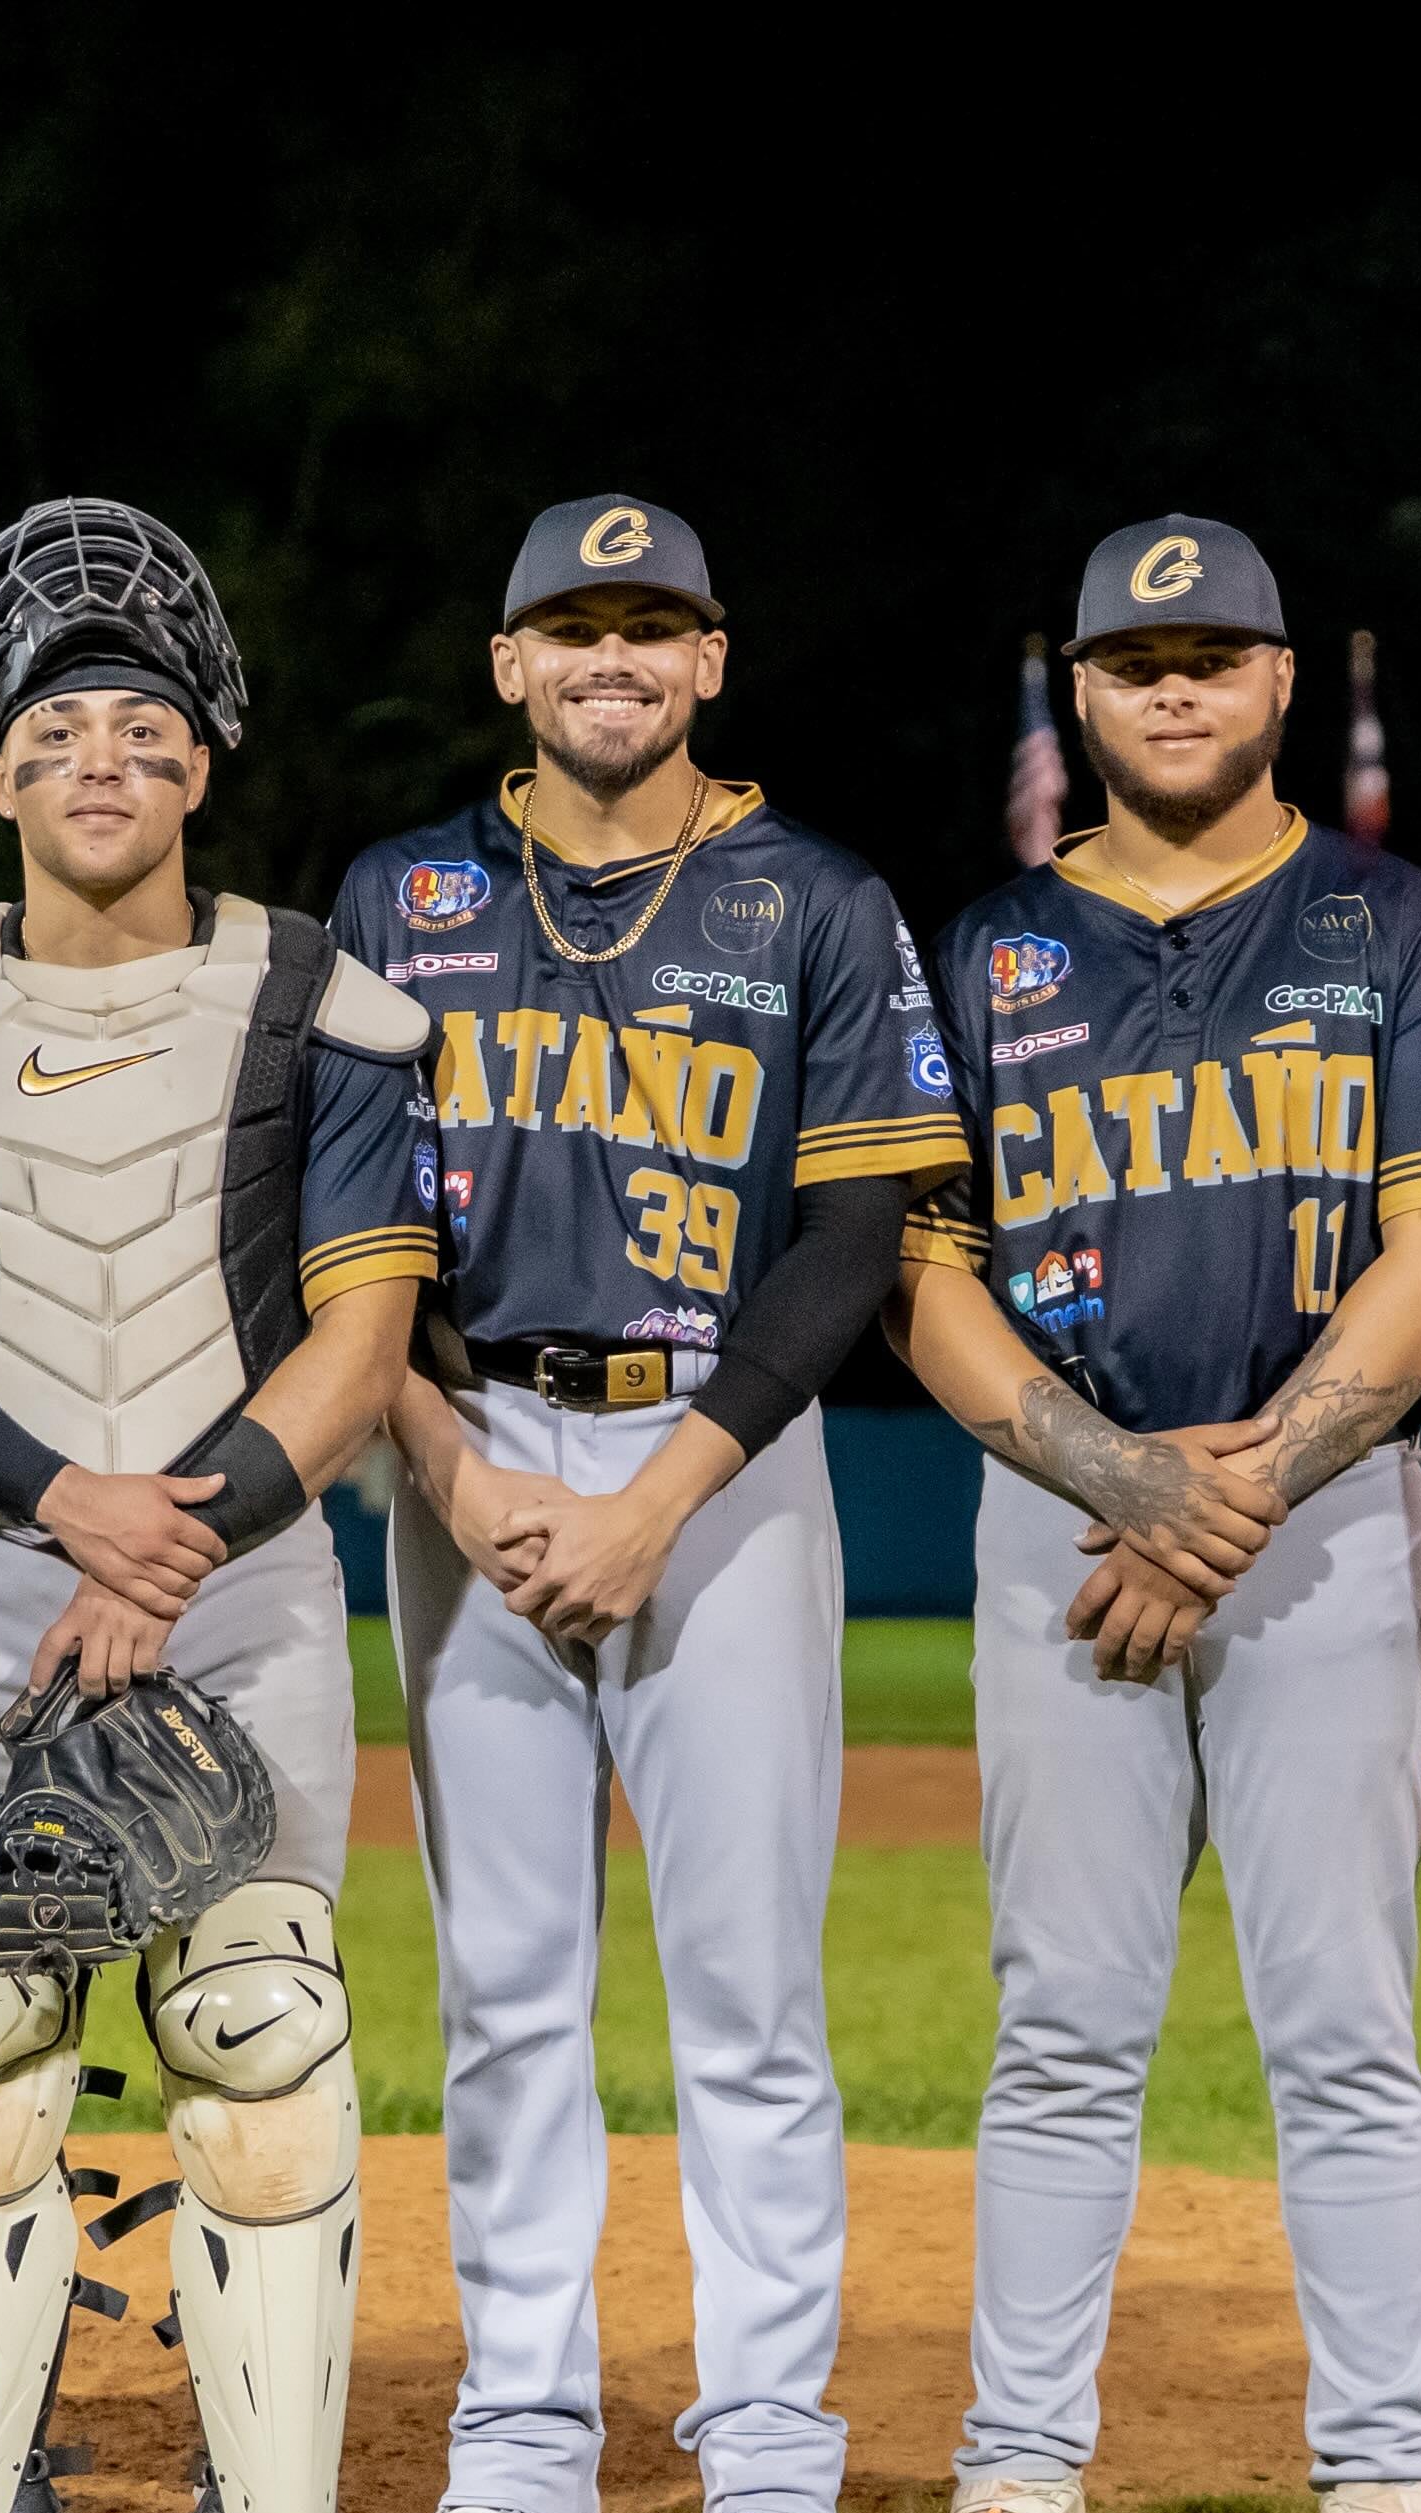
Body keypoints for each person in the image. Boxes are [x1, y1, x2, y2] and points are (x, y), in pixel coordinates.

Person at [0, 493, 440, 2513]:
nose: (105, 762)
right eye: (60, 730)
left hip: (232, 1595)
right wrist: (79, 1510)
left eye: (149, 730)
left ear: (207, 765)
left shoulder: (326, 998)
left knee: (259, 2057)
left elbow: (367, 1323)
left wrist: (172, 1542)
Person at [340, 496, 958, 2513]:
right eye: (574, 629)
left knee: (748, 1978)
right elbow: (342, 1228)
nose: (615, 659)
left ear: (711, 660)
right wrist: (449, 1466)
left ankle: (767, 2412)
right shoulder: (398, 897)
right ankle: (522, 2413)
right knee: (506, 1982)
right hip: (473, 1451)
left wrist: (666, 1494)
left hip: (731, 1458)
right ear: (509, 665)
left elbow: (854, 1229)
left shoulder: (816, 902)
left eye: (654, 628)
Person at [888, 517, 1421, 2513]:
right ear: (1082, 689)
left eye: (1215, 652)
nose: (1175, 684)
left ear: (1282, 680)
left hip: (1319, 1522)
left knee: (1341, 2016)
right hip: (1060, 1516)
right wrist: (1125, 1482)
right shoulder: (986, 952)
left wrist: (1233, 1486)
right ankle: (1021, 2459)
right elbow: (926, 1273)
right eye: (1140, 657)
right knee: (1062, 2019)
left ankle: (1386, 2465)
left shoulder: (1399, 928)